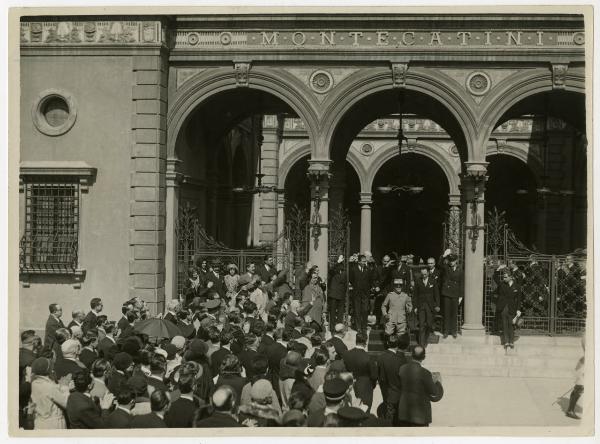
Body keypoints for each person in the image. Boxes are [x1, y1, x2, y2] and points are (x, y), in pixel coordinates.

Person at [397, 345, 443, 426]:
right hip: (420, 416)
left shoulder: (402, 368)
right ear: (424, 357)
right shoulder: (425, 373)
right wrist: (437, 382)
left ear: (412, 355)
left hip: (404, 413)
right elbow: (434, 392)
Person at [29, 357, 70, 429]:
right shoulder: (50, 387)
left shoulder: (34, 383)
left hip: (39, 422)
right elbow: (66, 403)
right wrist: (65, 386)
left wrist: (59, 385)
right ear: (48, 370)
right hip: (53, 424)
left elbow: (49, 392)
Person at [341, 332, 378, 412]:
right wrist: (372, 385)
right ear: (366, 342)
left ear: (356, 340)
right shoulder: (368, 357)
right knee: (364, 410)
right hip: (365, 386)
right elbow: (374, 376)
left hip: (349, 383)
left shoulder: (347, 354)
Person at [376, 333, 408, 422]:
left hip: (385, 390)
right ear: (397, 344)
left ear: (387, 343)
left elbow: (379, 375)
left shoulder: (380, 357)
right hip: (397, 393)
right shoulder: (400, 359)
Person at [493, 268, 522, 349]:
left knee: (511, 325)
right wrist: (498, 269)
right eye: (503, 277)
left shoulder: (517, 286)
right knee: (505, 325)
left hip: (512, 308)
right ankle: (506, 342)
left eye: (505, 277)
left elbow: (519, 299)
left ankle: (511, 342)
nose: (504, 278)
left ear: (511, 277)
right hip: (503, 308)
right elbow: (495, 277)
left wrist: (518, 309)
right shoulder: (502, 284)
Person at [413, 267, 441, 348]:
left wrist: (437, 305)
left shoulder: (433, 281)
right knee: (421, 325)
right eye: (422, 274)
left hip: (430, 306)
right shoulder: (418, 281)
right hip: (421, 306)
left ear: (428, 273)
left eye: (425, 274)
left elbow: (436, 294)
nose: (424, 276)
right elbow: (415, 295)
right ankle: (422, 344)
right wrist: (415, 307)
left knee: (429, 324)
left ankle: (426, 338)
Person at [349, 254, 376, 335]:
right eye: (363, 261)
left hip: (365, 294)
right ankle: (358, 328)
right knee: (357, 311)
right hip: (356, 293)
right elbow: (351, 279)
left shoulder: (368, 270)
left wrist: (367, 289)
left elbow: (371, 280)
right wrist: (356, 286)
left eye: (365, 261)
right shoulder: (353, 269)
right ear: (359, 261)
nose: (365, 263)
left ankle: (364, 327)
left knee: (364, 310)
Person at [441, 253, 463, 338]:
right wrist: (444, 256)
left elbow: (461, 283)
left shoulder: (460, 270)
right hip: (447, 292)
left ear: (456, 261)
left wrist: (461, 295)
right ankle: (446, 331)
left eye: (453, 261)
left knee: (454, 313)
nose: (451, 262)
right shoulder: (446, 268)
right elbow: (440, 264)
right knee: (446, 313)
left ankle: (454, 331)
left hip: (455, 293)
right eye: (450, 261)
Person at [566, 336, 585, 420]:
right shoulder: (588, 335)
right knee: (580, 388)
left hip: (584, 364)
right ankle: (570, 411)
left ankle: (570, 410)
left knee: (579, 388)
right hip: (584, 365)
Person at [328, 258, 347, 326]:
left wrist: (344, 294)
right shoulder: (334, 271)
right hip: (333, 295)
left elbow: (345, 284)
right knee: (332, 313)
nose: (341, 266)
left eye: (342, 264)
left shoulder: (344, 272)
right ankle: (332, 328)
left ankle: (339, 328)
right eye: (340, 264)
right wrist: (337, 262)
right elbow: (330, 270)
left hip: (341, 295)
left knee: (340, 314)